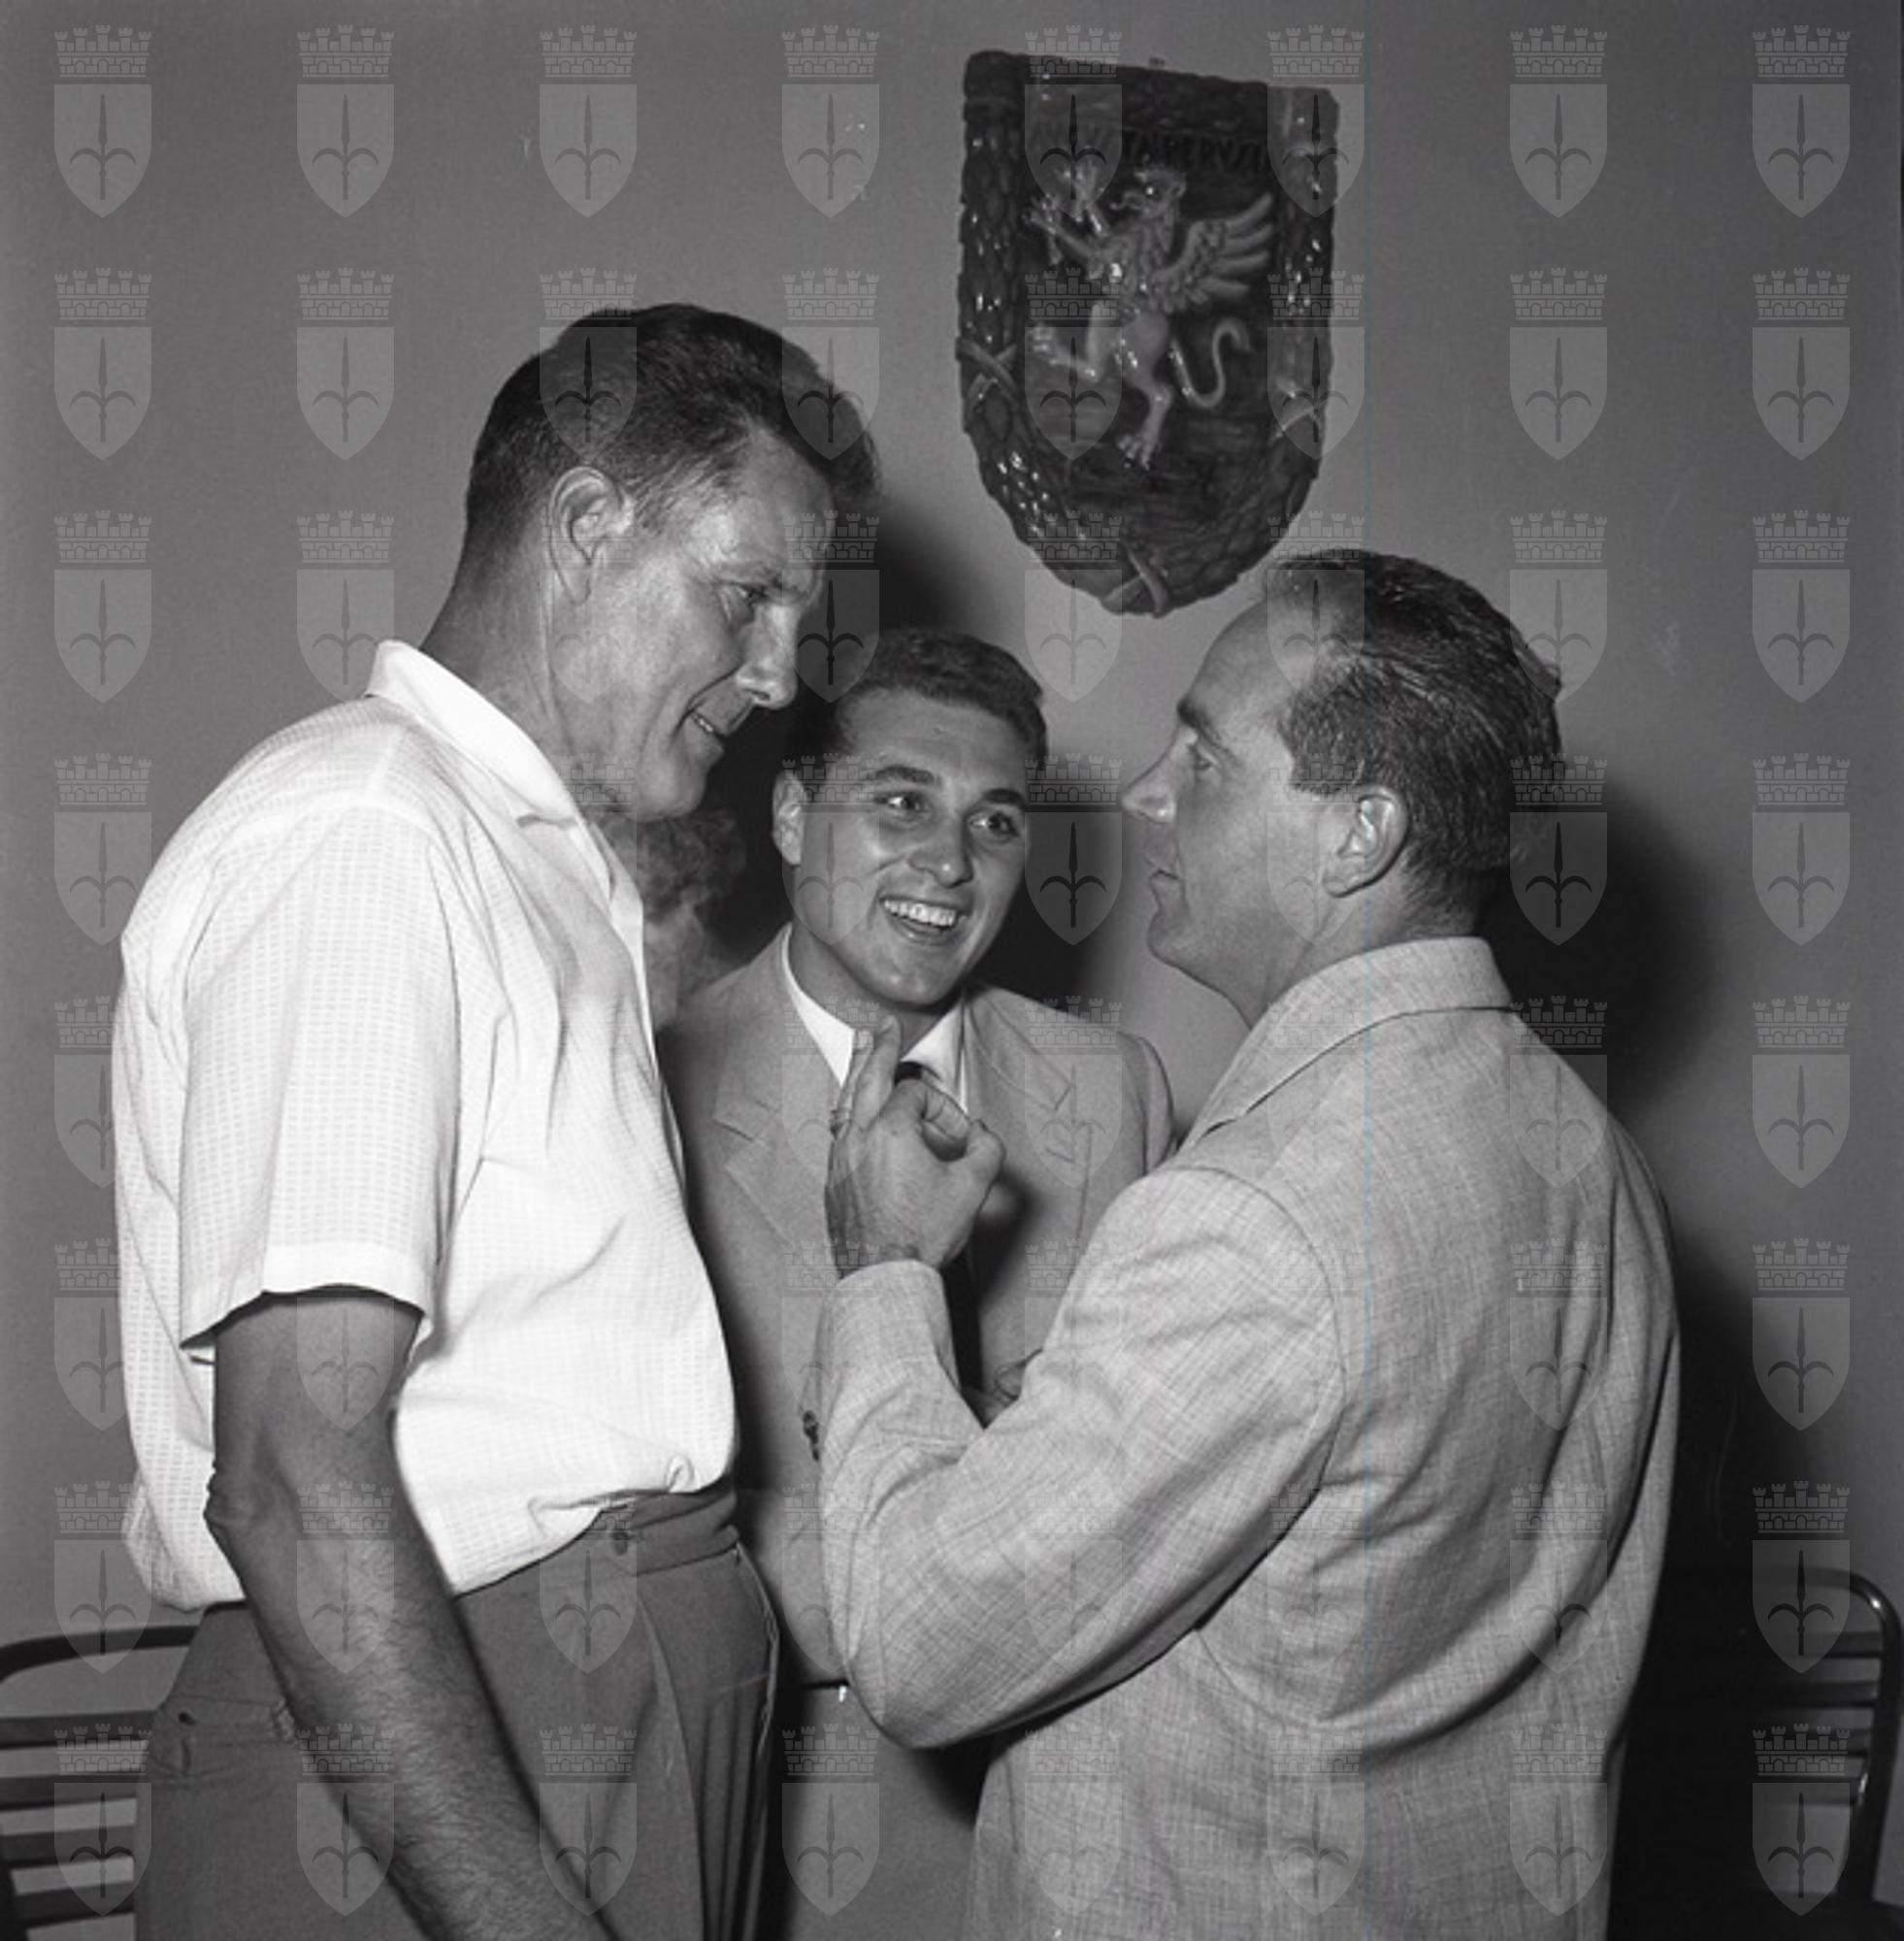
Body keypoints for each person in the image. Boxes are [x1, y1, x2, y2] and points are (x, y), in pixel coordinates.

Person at [113, 305, 875, 1941]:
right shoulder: (367, 834)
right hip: (446, 1728)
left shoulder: (535, 857)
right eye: (746, 594)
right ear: (587, 526)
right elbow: (292, 1472)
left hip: (590, 1697)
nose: (777, 673)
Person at [812, 553, 1679, 1937]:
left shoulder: (1255, 1216)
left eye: (1203, 757)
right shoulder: (1590, 1155)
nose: (1145, 793)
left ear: (1358, 836)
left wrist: (885, 1271)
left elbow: (917, 1642)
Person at [659, 628, 1173, 1939]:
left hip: (1059, 1819)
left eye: (993, 822)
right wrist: (986, 1548)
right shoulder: (647, 1082)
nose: (949, 862)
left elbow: (1142, 1478)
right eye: (900, 804)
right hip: (768, 1805)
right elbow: (645, 1528)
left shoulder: (1111, 1089)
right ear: (792, 817)